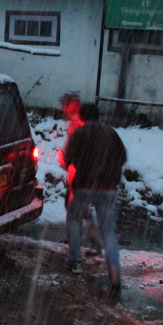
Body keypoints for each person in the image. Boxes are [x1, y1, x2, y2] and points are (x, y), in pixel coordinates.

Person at [63, 103, 127, 293]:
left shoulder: (80, 134)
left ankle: (75, 261)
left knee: (74, 218)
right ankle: (114, 272)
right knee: (108, 230)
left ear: (82, 117)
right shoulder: (111, 133)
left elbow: (68, 159)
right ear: (98, 116)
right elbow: (123, 157)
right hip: (108, 187)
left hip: (85, 185)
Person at [57, 91, 102, 257]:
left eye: (66, 106)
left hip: (79, 173)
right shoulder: (80, 121)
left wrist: (65, 159)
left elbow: (78, 150)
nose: (65, 110)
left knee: (73, 208)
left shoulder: (79, 123)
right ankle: (91, 238)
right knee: (79, 207)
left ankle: (75, 248)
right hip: (82, 173)